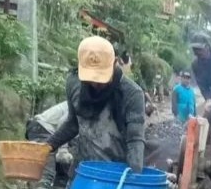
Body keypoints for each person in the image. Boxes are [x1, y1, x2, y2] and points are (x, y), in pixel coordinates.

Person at [46, 36, 146, 174]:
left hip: (114, 175)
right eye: (90, 77)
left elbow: (135, 140)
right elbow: (74, 123)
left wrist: (134, 179)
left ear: (114, 63)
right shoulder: (74, 84)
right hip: (82, 172)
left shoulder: (131, 94)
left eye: (100, 77)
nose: (95, 83)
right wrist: (47, 146)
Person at [13, 101, 72, 189]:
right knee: (48, 170)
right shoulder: (81, 104)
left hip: (49, 130)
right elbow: (65, 122)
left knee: (63, 170)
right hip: (43, 128)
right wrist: (63, 150)